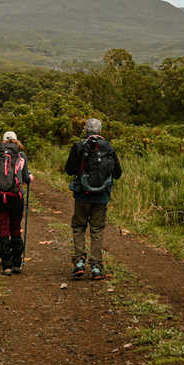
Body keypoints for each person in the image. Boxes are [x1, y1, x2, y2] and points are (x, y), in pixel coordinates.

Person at [64, 118, 121, 280]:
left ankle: (79, 262)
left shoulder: (79, 146)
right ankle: (96, 267)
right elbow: (118, 173)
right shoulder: (109, 147)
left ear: (86, 130)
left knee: (79, 226)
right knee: (97, 229)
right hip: (101, 197)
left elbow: (69, 170)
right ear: (100, 131)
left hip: (82, 195)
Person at [0, 131, 33, 275]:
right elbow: (26, 178)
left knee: (3, 230)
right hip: (16, 198)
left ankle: (6, 265)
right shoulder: (22, 157)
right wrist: (29, 178)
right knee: (15, 228)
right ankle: (17, 263)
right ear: (16, 140)